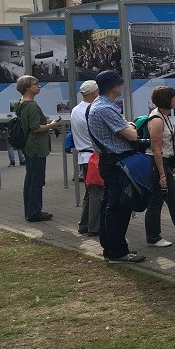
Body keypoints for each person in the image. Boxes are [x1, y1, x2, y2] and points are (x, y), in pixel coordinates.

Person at [87, 70, 147, 263]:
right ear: (113, 86)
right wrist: (131, 128)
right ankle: (117, 251)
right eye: (119, 83)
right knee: (120, 206)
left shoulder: (100, 105)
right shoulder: (104, 108)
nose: (122, 86)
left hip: (110, 159)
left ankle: (110, 247)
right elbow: (132, 135)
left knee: (110, 205)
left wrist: (126, 126)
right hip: (116, 161)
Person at [144, 86, 175, 248]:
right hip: (157, 163)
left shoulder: (164, 116)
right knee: (156, 200)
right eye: (174, 97)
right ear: (166, 99)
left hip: (164, 163)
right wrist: (162, 174)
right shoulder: (157, 120)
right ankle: (153, 236)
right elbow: (156, 149)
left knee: (173, 198)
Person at [13, 75, 60, 222]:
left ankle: (30, 210)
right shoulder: (32, 105)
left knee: (30, 178)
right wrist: (51, 125)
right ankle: (34, 212)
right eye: (36, 84)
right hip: (36, 146)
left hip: (28, 145)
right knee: (37, 180)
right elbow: (36, 128)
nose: (39, 86)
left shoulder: (21, 103)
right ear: (28, 87)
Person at [69, 79, 101, 237]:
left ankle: (85, 224)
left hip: (84, 155)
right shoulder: (92, 110)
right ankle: (95, 228)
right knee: (97, 193)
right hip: (93, 156)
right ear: (95, 92)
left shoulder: (76, 109)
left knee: (90, 193)